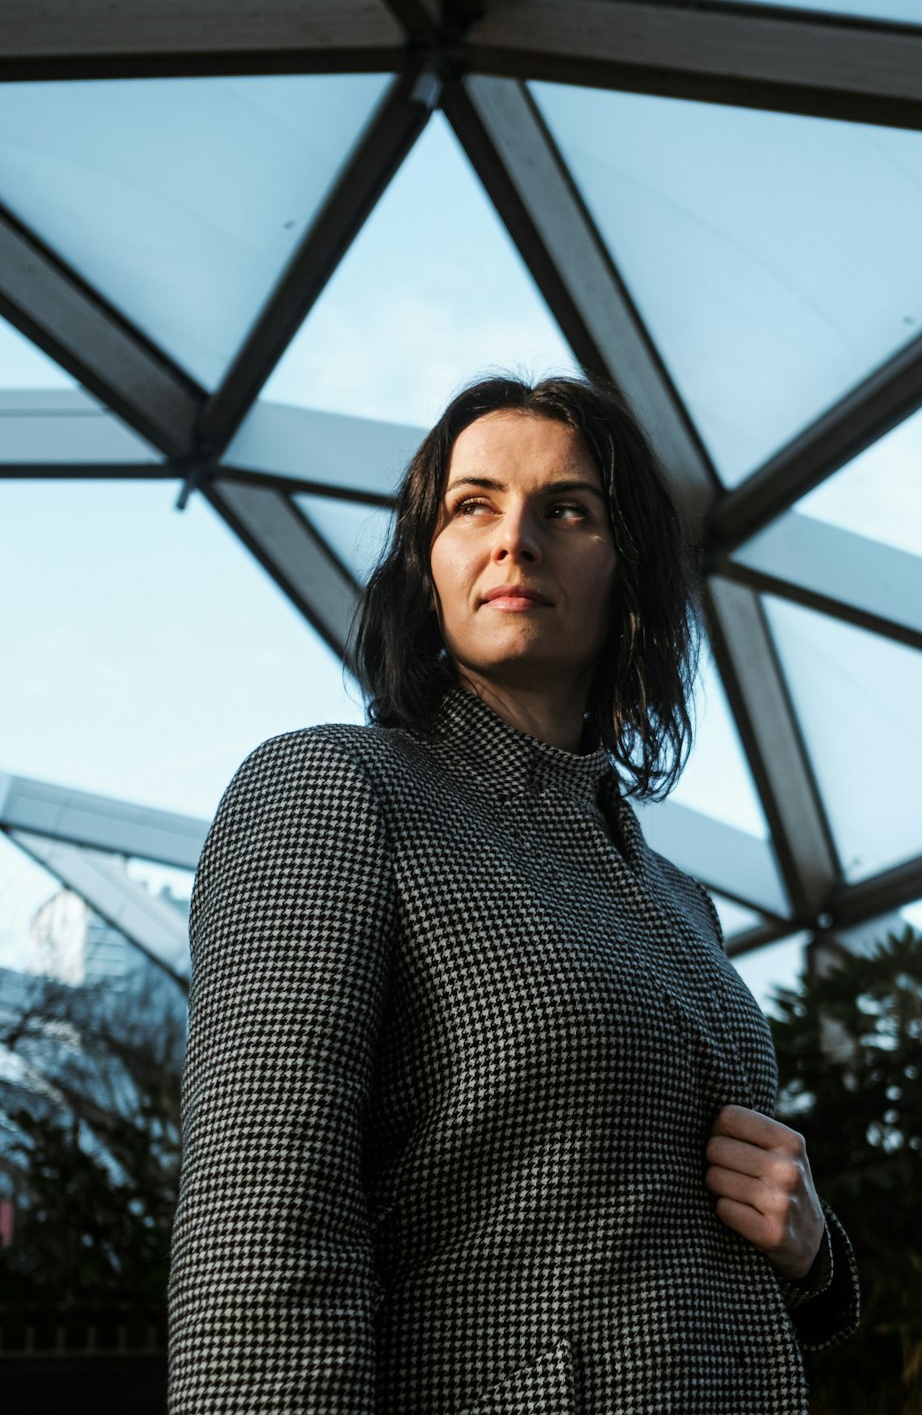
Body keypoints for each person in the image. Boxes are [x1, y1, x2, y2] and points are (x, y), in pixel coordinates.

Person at [168, 374, 859, 1414]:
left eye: (567, 509)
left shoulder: (680, 901)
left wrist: (815, 1256)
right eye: (471, 505)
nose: (514, 538)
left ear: (628, 568)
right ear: (426, 564)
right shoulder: (335, 791)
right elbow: (263, 1239)